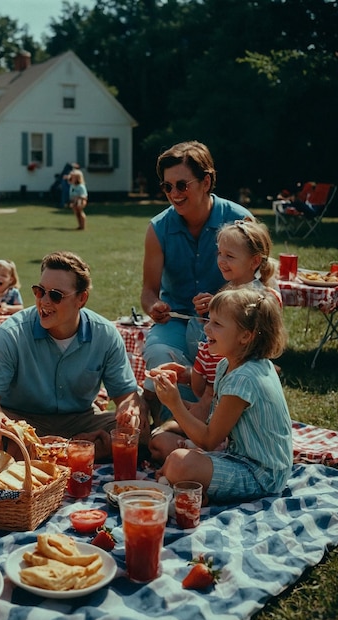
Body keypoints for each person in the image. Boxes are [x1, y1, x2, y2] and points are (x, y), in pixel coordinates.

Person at [0, 251, 145, 460]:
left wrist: (130, 410)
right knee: (3, 439)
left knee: (139, 434)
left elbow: (126, 394)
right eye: (39, 291)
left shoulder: (104, 334)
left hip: (81, 419)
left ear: (81, 299)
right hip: (24, 423)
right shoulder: (12, 332)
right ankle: (80, 450)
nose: (44, 301)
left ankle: (56, 452)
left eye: (55, 295)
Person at [149, 217, 282, 461]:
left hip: (228, 430)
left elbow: (259, 345)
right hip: (212, 387)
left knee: (170, 452)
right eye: (220, 253)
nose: (221, 260)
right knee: (158, 439)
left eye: (229, 256)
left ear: (254, 261)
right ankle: (179, 441)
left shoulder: (261, 299)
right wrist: (187, 375)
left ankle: (188, 449)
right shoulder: (229, 290)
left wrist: (178, 402)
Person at [140, 140, 252, 425]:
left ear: (206, 181)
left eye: (181, 185)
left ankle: (217, 426)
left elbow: (261, 290)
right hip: (177, 320)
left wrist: (222, 302)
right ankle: (172, 429)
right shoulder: (158, 228)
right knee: (157, 353)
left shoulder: (239, 221)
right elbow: (148, 292)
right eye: (167, 187)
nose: (174, 194)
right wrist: (154, 306)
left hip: (230, 324)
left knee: (225, 362)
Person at [147, 288, 292, 504]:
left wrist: (175, 404)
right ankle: (190, 488)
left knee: (178, 462)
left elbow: (208, 440)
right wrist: (184, 377)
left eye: (217, 324)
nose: (206, 328)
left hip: (262, 475)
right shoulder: (228, 364)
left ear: (245, 336)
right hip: (236, 456)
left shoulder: (244, 379)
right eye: (209, 320)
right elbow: (212, 419)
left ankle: (186, 486)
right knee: (162, 445)